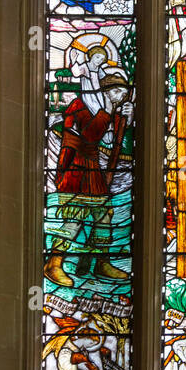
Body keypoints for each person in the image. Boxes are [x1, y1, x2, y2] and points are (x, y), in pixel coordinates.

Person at [44, 70, 133, 288]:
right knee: (75, 217)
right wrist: (110, 112)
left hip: (94, 171)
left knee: (103, 216)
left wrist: (126, 119)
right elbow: (90, 136)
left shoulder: (111, 111)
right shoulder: (80, 107)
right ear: (104, 90)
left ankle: (99, 261)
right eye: (117, 91)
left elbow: (115, 141)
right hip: (78, 169)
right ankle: (54, 263)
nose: (121, 96)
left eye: (124, 92)